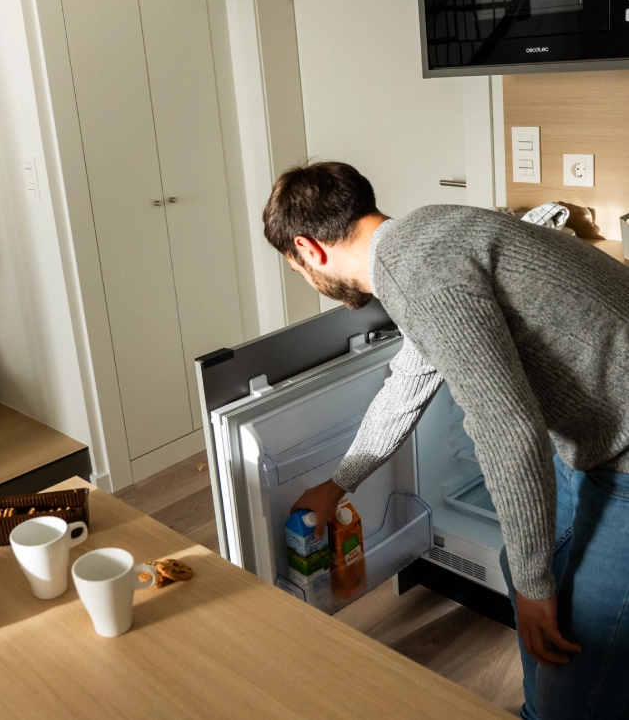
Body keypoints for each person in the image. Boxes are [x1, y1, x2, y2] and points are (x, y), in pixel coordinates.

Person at [263, 161, 629, 720]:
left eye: (298, 270)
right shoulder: (422, 234)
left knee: (578, 643)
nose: (309, 280)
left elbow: (509, 433)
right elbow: (409, 383)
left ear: (308, 250)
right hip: (596, 435)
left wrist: (535, 589)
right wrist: (338, 485)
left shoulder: (418, 275)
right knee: (522, 563)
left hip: (623, 454)